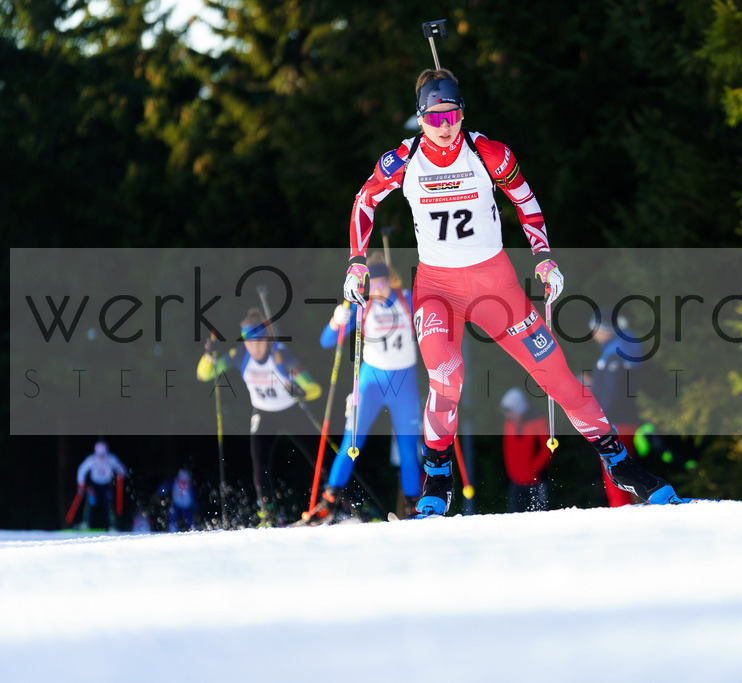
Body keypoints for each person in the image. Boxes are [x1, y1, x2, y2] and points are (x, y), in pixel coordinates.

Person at [343, 68, 684, 516]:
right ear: (421, 118)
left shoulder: (489, 153)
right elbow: (364, 200)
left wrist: (543, 257)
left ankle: (619, 463)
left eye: (452, 115)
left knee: (556, 374)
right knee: (447, 372)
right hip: (438, 289)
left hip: (496, 285)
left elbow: (526, 202)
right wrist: (356, 261)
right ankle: (438, 475)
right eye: (435, 117)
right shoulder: (403, 161)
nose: (445, 127)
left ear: (462, 114)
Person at [312, 252, 422, 522]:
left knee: (409, 449)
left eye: (383, 283)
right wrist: (336, 320)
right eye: (373, 285)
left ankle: (414, 507)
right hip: (371, 382)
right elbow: (327, 341)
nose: (379, 290)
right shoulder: (362, 306)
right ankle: (329, 502)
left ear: (391, 280)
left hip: (403, 383)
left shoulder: (407, 300)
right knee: (352, 442)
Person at [196, 308, 323, 526]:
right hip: (263, 413)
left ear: (267, 339)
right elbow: (204, 374)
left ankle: (347, 504)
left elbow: (314, 389)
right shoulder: (240, 355)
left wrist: (299, 390)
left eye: (258, 341)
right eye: (249, 341)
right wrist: (210, 355)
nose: (254, 347)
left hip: (290, 410)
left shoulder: (281, 356)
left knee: (318, 455)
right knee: (258, 460)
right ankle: (268, 514)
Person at [587, 308, 645, 507]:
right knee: (624, 468)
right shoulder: (623, 349)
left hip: (617, 422)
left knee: (615, 469)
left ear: (606, 329)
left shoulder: (614, 354)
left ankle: (621, 510)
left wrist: (601, 422)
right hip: (626, 420)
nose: (593, 334)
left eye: (595, 329)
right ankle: (628, 507)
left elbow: (613, 393)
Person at [500, 388, 552, 513]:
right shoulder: (509, 424)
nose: (509, 415)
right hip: (516, 481)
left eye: (511, 411)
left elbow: (547, 448)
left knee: (541, 516)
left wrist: (534, 469)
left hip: (536, 480)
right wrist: (512, 471)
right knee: (514, 517)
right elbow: (508, 449)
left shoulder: (538, 421)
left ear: (519, 408)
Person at [75, 440, 127, 530]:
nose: (101, 457)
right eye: (99, 454)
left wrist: (120, 474)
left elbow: (121, 468)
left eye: (103, 454)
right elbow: (82, 470)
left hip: (106, 485)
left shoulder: (111, 459)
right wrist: (81, 482)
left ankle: (113, 526)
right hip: (94, 485)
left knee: (109, 505)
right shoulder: (92, 459)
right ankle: (86, 523)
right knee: (91, 503)